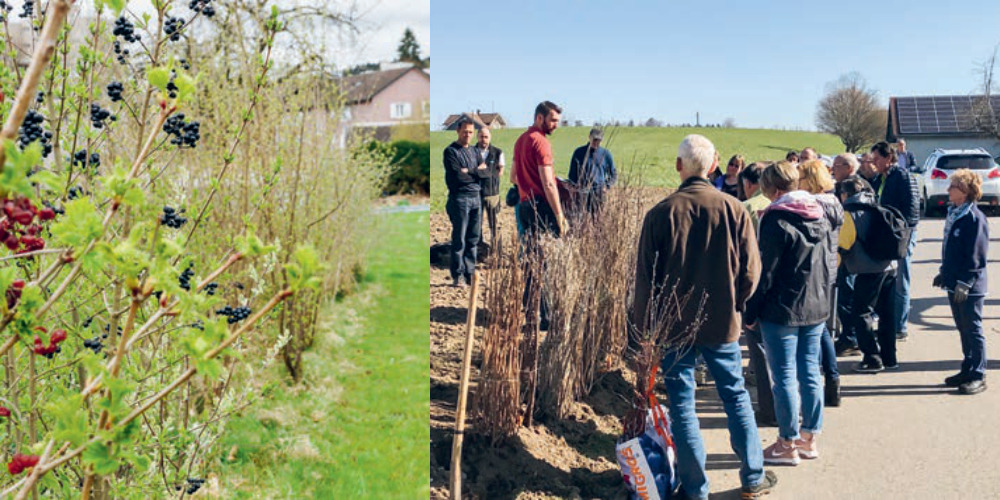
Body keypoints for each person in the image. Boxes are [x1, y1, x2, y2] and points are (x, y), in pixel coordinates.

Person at [634, 134, 775, 499]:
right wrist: (738, 304)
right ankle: (753, 476)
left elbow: (644, 281)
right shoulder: (734, 209)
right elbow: (751, 271)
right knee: (735, 396)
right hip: (722, 322)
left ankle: (695, 490)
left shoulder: (659, 214)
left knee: (682, 405)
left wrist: (643, 331)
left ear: (679, 166)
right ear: (713, 166)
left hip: (674, 326)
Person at [744, 161, 831, 466]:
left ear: (775, 190)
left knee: (783, 377)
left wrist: (750, 311)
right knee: (809, 372)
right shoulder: (821, 212)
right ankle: (809, 438)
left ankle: (787, 442)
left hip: (782, 309)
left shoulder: (775, 218)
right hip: (816, 305)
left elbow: (764, 272)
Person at [933, 169, 989, 394]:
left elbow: (977, 254)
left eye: (953, 186)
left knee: (972, 328)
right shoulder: (954, 213)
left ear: (964, 191)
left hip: (969, 286)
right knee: (962, 328)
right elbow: (951, 249)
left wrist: (966, 282)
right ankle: (967, 367)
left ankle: (978, 373)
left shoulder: (974, 218)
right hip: (953, 281)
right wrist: (944, 273)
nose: (948, 189)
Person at [838, 177, 898, 374]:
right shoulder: (876, 205)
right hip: (889, 267)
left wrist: (831, 269)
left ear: (845, 194)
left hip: (868, 270)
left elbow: (843, 246)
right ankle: (889, 357)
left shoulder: (849, 213)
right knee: (887, 313)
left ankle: (871, 357)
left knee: (860, 312)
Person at [514, 101, 565, 332]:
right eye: (553, 120)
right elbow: (548, 183)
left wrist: (527, 183)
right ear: (539, 118)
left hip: (524, 205)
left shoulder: (521, 140)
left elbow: (513, 177)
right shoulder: (541, 143)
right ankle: (547, 316)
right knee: (546, 263)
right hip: (541, 207)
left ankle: (530, 312)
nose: (556, 125)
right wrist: (560, 216)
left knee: (531, 261)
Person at [796, 160, 844, 407]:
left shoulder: (812, 206)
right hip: (831, 269)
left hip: (815, 273)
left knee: (817, 329)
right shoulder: (834, 203)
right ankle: (833, 379)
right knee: (823, 327)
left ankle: (815, 379)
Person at [869, 141, 920, 343]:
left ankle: (900, 326)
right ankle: (888, 323)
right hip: (885, 235)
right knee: (888, 280)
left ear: (889, 158)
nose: (874, 163)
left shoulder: (902, 176)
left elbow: (912, 210)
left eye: (877, 159)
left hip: (902, 234)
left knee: (901, 279)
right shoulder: (878, 179)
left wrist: (900, 231)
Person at [740, 161, 777, 425]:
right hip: (784, 288)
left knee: (759, 346)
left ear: (750, 184)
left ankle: (769, 408)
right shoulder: (783, 204)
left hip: (755, 284)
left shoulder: (747, 208)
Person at [443, 120, 483, 288]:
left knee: (473, 239)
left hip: (476, 198)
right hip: (460, 199)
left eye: (471, 132)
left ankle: (470, 274)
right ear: (458, 131)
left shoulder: (475, 151)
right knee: (459, 239)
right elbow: (458, 177)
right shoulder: (451, 151)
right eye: (465, 131)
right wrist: (475, 174)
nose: (468, 135)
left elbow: (486, 173)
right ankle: (457, 275)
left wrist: (471, 172)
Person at [568, 127, 617, 214]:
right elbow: (572, 173)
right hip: (582, 191)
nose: (596, 142)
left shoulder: (606, 154)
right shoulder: (579, 152)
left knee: (597, 220)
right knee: (580, 218)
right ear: (589, 137)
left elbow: (613, 174)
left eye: (598, 140)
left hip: (599, 192)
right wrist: (574, 186)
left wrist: (607, 186)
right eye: (594, 139)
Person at [475, 127, 505, 246]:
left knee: (495, 223)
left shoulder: (497, 152)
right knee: (477, 223)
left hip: (492, 194)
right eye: (481, 136)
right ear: (477, 137)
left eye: (486, 137)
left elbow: (500, 170)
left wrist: (491, 179)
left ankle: (496, 248)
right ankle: (479, 247)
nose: (483, 139)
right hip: (476, 194)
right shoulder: (471, 151)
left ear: (490, 138)